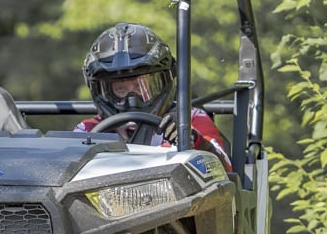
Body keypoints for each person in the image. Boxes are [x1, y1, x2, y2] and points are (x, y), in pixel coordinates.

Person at [76, 22, 232, 171]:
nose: (132, 100)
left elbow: (224, 167)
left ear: (165, 80)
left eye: (141, 87)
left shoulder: (190, 119)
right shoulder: (88, 130)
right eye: (120, 89)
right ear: (101, 91)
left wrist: (195, 141)